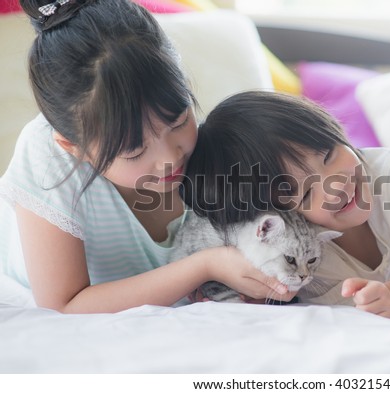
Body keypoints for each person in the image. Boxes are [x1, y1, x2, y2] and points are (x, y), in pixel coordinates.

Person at [0, 0, 293, 313]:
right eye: (134, 151)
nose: (170, 158)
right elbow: (65, 304)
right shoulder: (49, 156)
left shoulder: (217, 146)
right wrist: (206, 266)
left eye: (179, 122)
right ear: (74, 147)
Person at [183, 90, 390, 320]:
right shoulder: (290, 248)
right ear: (283, 213)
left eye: (328, 155)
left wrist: (389, 294)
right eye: (306, 194)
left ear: (333, 130)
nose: (336, 186)